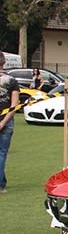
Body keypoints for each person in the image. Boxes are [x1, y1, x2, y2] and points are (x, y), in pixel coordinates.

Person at [0, 52, 20, 193]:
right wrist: (3, 122)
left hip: (4, 122)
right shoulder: (11, 81)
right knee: (2, 153)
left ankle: (2, 182)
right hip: (6, 121)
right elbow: (14, 105)